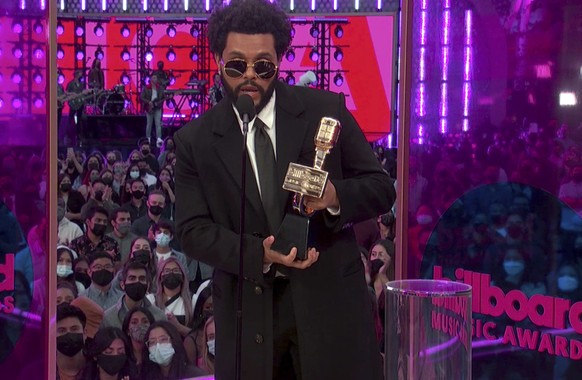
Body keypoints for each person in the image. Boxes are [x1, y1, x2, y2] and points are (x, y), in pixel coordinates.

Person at [173, 1, 394, 378]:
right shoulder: (195, 140)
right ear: (217, 60)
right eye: (236, 65)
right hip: (249, 315)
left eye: (262, 66)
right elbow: (191, 230)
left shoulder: (326, 110)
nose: (249, 77)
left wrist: (334, 197)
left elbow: (380, 188)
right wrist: (257, 254)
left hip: (330, 309)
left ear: (279, 61)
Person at [101, 261, 166, 329]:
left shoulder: (159, 317)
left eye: (142, 279)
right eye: (132, 278)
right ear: (122, 285)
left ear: (148, 285)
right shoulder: (109, 318)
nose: (137, 281)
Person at [141, 321, 205, 379]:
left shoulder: (196, 375)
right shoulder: (146, 376)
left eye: (163, 339)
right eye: (152, 342)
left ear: (174, 341)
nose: (158, 346)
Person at [147, 256, 192, 336]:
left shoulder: (193, 300)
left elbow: (199, 335)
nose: (171, 273)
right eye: (167, 271)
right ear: (160, 276)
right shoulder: (150, 300)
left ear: (182, 275)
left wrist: (179, 327)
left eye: (176, 270)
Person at [56, 303, 87, 380]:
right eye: (62, 330)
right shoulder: (40, 371)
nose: (69, 335)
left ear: (85, 333)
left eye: (74, 329)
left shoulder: (98, 369)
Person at [121, 306, 155, 371]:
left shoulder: (156, 352)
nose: (140, 325)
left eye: (145, 322)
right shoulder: (122, 354)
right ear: (127, 331)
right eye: (134, 322)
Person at [140, 75, 165, 148]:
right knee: (149, 124)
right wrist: (148, 102)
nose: (156, 79)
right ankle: (148, 139)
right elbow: (142, 97)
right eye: (154, 78)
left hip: (157, 108)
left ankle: (159, 140)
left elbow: (163, 97)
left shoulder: (160, 88)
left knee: (158, 124)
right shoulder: (146, 88)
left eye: (156, 78)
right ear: (151, 79)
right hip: (149, 108)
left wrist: (162, 100)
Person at [67, 70, 86, 146]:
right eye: (80, 73)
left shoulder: (81, 84)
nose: (81, 75)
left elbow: (82, 94)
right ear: (76, 75)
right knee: (71, 119)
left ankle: (78, 135)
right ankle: (69, 135)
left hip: (80, 103)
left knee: (79, 119)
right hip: (73, 104)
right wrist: (73, 94)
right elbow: (67, 92)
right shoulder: (71, 84)